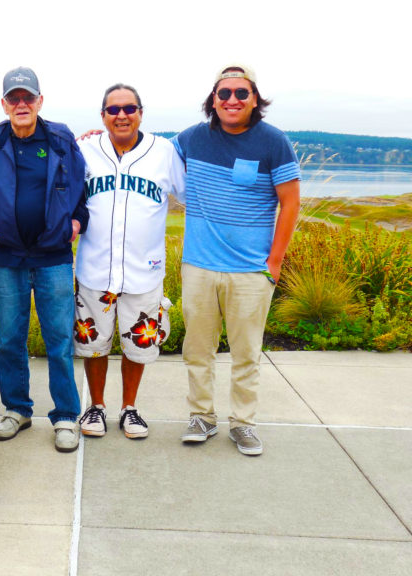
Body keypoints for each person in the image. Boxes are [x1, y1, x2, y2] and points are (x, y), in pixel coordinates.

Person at [172, 64, 301, 456]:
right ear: (213, 100)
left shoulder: (273, 142)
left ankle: (243, 424)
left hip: (250, 271)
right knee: (197, 349)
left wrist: (274, 262)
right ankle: (202, 417)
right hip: (199, 266)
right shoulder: (193, 139)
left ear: (255, 100)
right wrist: (94, 138)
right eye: (223, 93)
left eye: (241, 93)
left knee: (246, 352)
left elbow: (291, 202)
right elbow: (148, 151)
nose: (232, 100)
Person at [0, 66, 88, 453]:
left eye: (28, 97)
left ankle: (66, 416)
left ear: (40, 100)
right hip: (7, 256)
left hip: (53, 256)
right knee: (9, 340)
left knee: (58, 340)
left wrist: (76, 221)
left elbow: (80, 188)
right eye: (14, 98)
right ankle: (17, 409)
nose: (21, 104)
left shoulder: (60, 136)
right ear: (3, 104)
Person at [74, 84, 185, 440]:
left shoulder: (164, 151)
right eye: (113, 109)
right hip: (95, 269)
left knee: (138, 344)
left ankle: (130, 408)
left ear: (141, 112)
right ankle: (96, 405)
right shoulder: (85, 150)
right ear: (102, 115)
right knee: (94, 343)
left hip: (144, 270)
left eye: (129, 108)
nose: (121, 115)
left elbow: (187, 195)